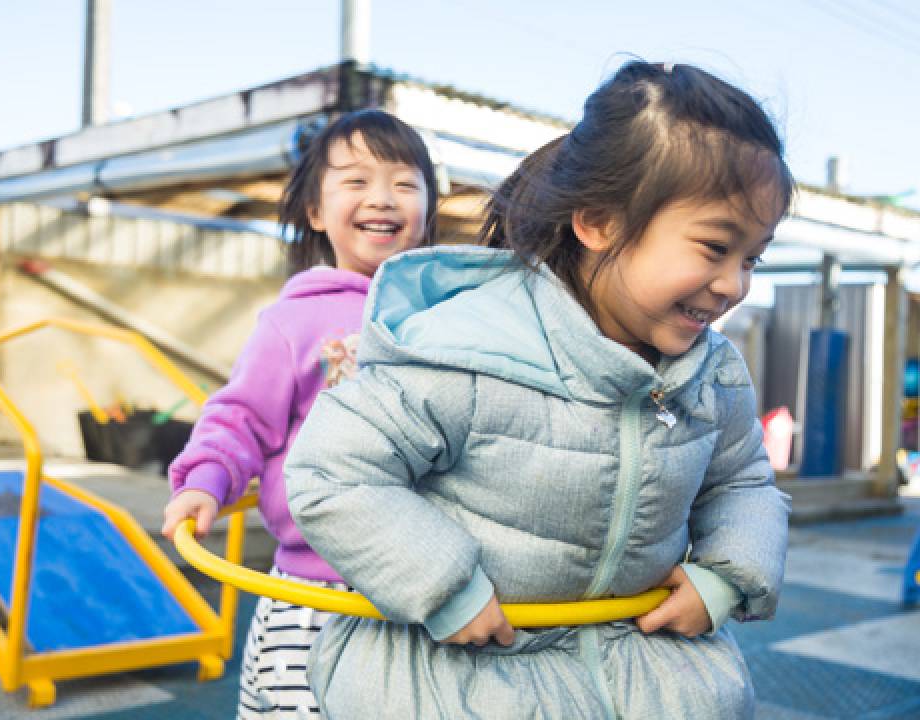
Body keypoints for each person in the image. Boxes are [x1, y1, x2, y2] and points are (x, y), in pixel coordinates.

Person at [284, 60, 793, 719]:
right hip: (458, 680)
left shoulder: (712, 372)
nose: (735, 285)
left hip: (643, 675)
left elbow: (742, 483)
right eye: (713, 247)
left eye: (752, 257)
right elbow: (333, 473)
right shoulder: (466, 348)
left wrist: (724, 576)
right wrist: (444, 588)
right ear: (600, 223)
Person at [161, 109, 438, 719]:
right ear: (315, 212)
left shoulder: (441, 322)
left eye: (403, 182)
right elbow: (240, 419)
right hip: (316, 589)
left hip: (425, 588)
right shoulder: (293, 322)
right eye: (356, 181)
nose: (382, 198)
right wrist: (207, 481)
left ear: (427, 206)